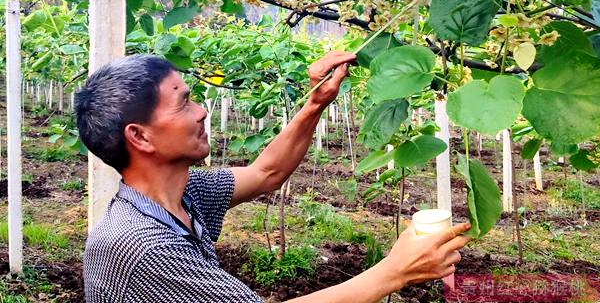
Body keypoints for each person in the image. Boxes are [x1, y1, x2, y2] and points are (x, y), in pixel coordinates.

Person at [76, 52, 470, 303]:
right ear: (140, 136)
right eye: (183, 103)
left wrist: (315, 104)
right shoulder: (142, 247)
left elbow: (267, 172)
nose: (200, 112)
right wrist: (394, 270)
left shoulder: (182, 196)